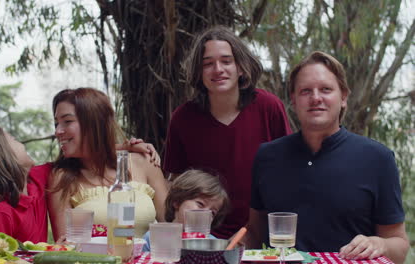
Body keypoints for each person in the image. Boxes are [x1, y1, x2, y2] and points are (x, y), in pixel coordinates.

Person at [246, 51, 409, 263]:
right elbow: (254, 233)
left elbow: (400, 245)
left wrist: (380, 244)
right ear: (293, 100)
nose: (315, 98)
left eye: (325, 89)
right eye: (305, 91)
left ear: (343, 97)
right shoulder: (267, 156)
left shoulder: (378, 158)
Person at [163, 25, 291, 238]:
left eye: (226, 61)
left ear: (240, 67)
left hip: (263, 235)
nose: (218, 69)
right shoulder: (182, 118)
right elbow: (177, 185)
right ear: (199, 72)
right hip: (203, 239)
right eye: (208, 64)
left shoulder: (269, 107)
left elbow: (289, 171)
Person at [48, 88, 168, 240]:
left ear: (94, 123)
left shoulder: (144, 162)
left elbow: (171, 225)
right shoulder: (62, 178)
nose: (58, 131)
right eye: (56, 123)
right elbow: (65, 248)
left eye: (67, 121)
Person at [142, 169, 230, 252]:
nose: (206, 214)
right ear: (177, 201)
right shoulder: (153, 237)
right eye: (200, 204)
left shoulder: (213, 245)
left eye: (213, 213)